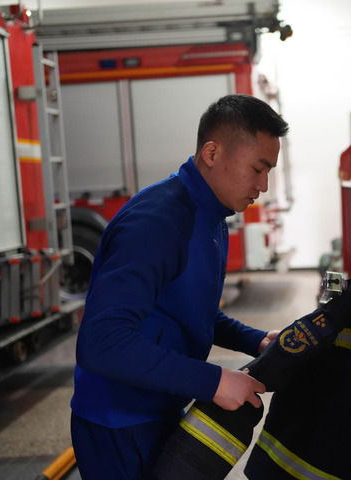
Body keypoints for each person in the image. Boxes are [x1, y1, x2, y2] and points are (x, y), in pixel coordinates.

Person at [70, 94, 289, 479]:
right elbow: (102, 341)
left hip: (159, 403)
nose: (263, 185)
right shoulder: (158, 222)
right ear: (211, 152)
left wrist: (255, 341)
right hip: (119, 423)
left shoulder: (211, 217)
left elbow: (188, 307)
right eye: (258, 169)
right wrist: (213, 381)